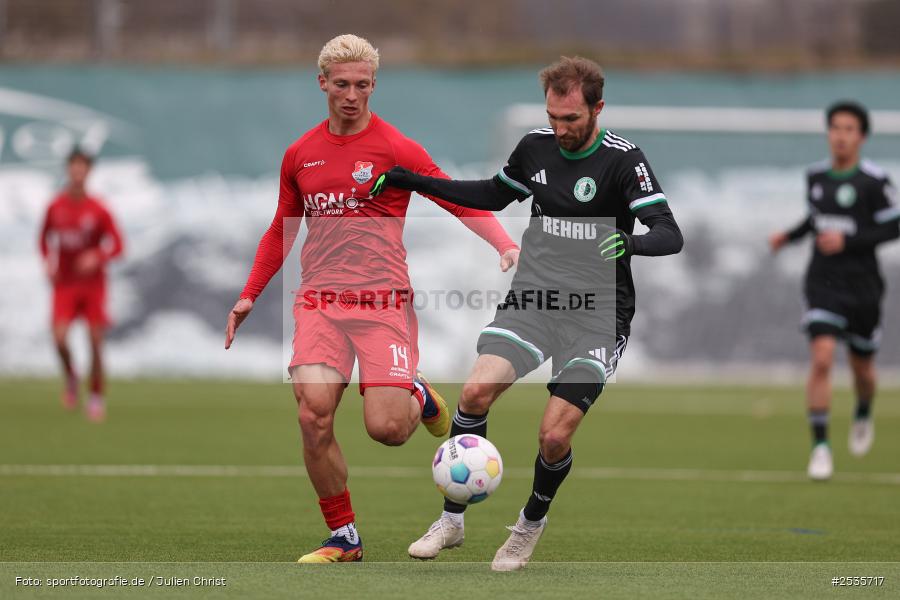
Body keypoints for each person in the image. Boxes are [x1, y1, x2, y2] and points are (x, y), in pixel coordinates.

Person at [372, 56, 683, 570]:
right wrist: (416, 182)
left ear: (598, 108)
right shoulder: (535, 147)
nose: (560, 129)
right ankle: (451, 521)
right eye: (554, 117)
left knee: (554, 435)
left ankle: (528, 525)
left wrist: (629, 242)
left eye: (572, 119)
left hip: (598, 314)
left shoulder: (625, 162)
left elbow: (670, 234)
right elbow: (493, 195)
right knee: (473, 392)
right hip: (534, 298)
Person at [224, 34, 519, 563]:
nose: (352, 95)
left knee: (387, 430)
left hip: (383, 305)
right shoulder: (302, 154)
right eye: (341, 85)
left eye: (362, 85)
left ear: (373, 86)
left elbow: (453, 196)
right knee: (313, 415)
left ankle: (419, 396)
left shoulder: (396, 148)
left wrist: (503, 242)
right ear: (323, 84)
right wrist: (249, 295)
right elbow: (280, 231)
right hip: (317, 301)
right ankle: (344, 536)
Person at [770, 101, 899, 481]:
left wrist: (849, 240)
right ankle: (821, 447)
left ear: (861, 136)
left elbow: (893, 227)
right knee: (822, 357)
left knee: (863, 369)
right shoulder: (816, 177)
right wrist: (789, 236)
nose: (840, 135)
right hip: (823, 282)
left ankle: (862, 410)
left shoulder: (875, 181)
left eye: (849, 129)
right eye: (835, 128)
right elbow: (815, 220)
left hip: (863, 287)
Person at [38, 147, 124, 422]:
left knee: (95, 341)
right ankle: (72, 378)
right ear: (68, 170)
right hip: (65, 284)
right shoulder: (56, 206)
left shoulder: (98, 208)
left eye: (82, 168)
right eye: (73, 167)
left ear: (88, 172)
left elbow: (119, 246)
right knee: (60, 339)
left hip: (93, 286)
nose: (77, 173)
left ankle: (96, 396)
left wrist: (97, 256)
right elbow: (43, 239)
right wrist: (47, 262)